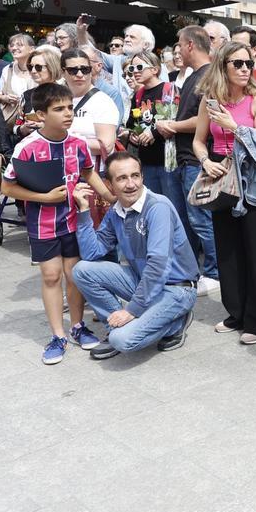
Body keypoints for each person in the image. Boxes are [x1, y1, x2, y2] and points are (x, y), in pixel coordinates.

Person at [1, 82, 101, 363]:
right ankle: (58, 335)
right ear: (41, 115)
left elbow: (89, 172)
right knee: (51, 276)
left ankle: (78, 326)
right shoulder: (27, 147)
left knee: (75, 275)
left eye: (70, 107)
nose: (68, 113)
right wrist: (42, 197)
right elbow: (7, 188)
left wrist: (110, 196)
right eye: (59, 109)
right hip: (42, 225)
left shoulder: (79, 143)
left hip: (74, 221)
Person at [72, 151, 199, 359]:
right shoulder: (116, 211)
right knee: (81, 270)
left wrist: (131, 311)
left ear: (142, 177)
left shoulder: (158, 207)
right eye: (122, 178)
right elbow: (91, 253)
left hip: (176, 289)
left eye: (135, 176)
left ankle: (175, 322)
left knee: (123, 341)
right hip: (144, 282)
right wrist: (84, 211)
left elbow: (158, 267)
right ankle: (115, 325)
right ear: (109, 184)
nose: (131, 184)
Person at [193, 41, 256, 344]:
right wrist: (205, 161)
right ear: (222, 67)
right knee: (227, 250)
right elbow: (199, 140)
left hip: (252, 180)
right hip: (221, 177)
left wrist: (234, 127)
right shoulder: (210, 100)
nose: (244, 69)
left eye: (248, 64)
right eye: (237, 63)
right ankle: (236, 312)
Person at [153, 26, 219, 294]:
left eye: (179, 44)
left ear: (190, 45)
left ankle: (215, 273)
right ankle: (193, 270)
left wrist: (173, 125)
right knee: (191, 220)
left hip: (196, 160)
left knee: (202, 220)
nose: (177, 49)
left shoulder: (209, 76)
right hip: (184, 159)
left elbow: (207, 118)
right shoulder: (194, 76)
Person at [121, 50, 174, 197]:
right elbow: (132, 123)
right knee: (152, 203)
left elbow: (175, 120)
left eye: (139, 68)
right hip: (146, 159)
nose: (134, 72)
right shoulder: (138, 94)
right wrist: (133, 134)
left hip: (167, 160)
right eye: (131, 69)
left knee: (172, 204)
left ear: (154, 69)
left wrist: (154, 132)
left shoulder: (169, 89)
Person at [61, 48, 119, 163]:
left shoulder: (102, 101)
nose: (79, 74)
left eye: (85, 69)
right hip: (62, 169)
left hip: (92, 173)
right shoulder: (58, 99)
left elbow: (106, 146)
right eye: (73, 70)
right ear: (63, 72)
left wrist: (62, 140)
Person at [17, 46, 63, 138]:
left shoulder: (66, 94)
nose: (33, 71)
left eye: (38, 67)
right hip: (31, 147)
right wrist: (24, 128)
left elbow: (73, 126)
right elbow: (16, 126)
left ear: (52, 67)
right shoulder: (26, 95)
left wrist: (45, 127)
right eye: (30, 67)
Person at [0, 33, 36, 126]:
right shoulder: (8, 69)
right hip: (11, 121)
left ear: (31, 49)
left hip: (34, 121)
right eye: (12, 45)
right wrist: (5, 98)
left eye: (19, 45)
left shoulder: (40, 69)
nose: (14, 48)